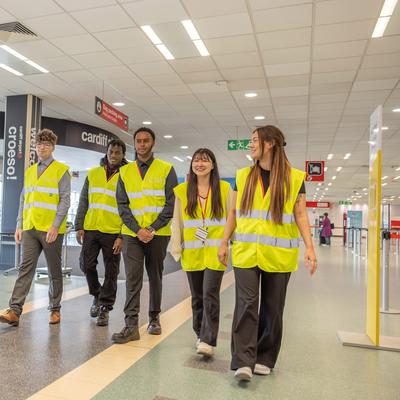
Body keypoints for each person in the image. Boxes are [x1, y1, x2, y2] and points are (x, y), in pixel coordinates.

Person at [218, 125, 317, 382]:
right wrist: (223, 242)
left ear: (270, 143)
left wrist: (309, 246)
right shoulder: (242, 176)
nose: (250, 145)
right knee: (246, 305)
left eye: (253, 141)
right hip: (246, 253)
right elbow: (232, 213)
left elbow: (300, 214)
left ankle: (264, 357)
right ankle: (243, 361)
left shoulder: (295, 178)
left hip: (279, 255)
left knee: (273, 309)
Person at [112, 127, 178, 344]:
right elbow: (122, 205)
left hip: (157, 234)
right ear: (135, 144)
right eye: (138, 141)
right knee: (132, 278)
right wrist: (137, 229)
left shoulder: (167, 169)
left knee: (155, 276)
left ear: (153, 143)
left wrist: (151, 229)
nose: (142, 144)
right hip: (132, 234)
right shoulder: (125, 172)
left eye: (146, 140)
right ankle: (131, 325)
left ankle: (154, 319)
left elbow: (171, 204)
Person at [0, 129, 70, 326]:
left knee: (54, 271)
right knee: (25, 269)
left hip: (50, 230)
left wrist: (55, 226)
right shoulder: (30, 171)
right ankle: (14, 311)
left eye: (46, 144)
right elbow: (24, 199)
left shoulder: (61, 170)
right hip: (30, 227)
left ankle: (55, 309)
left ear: (53, 147)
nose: (42, 147)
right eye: (39, 144)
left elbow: (65, 201)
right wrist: (19, 225)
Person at [169, 148, 232, 357]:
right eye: (196, 160)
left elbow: (233, 219)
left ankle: (208, 339)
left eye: (205, 160)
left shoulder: (224, 189)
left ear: (213, 165)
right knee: (196, 297)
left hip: (216, 253)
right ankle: (199, 333)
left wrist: (231, 244)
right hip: (193, 253)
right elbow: (177, 221)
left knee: (209, 294)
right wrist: (176, 247)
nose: (200, 164)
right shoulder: (182, 191)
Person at [74, 139, 128, 326]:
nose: (113, 156)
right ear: (106, 152)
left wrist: (122, 235)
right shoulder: (93, 173)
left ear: (123, 155)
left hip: (113, 231)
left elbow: (130, 207)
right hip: (91, 228)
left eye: (117, 153)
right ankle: (97, 294)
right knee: (86, 265)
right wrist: (79, 225)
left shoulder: (127, 176)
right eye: (111, 152)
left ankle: (105, 307)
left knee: (111, 271)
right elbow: (83, 201)